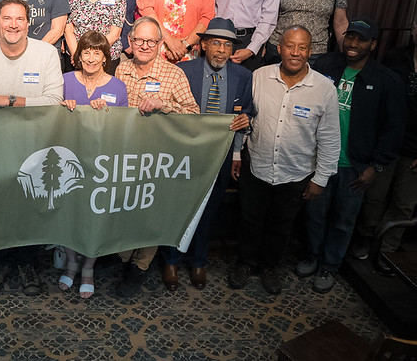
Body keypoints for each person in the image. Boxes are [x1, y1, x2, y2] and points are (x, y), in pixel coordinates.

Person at [228, 26, 340, 295]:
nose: (295, 53)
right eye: (290, 46)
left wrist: (320, 179)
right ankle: (245, 263)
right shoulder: (259, 77)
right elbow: (246, 117)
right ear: (280, 47)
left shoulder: (324, 89)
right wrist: (236, 154)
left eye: (302, 48)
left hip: (296, 174)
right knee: (249, 220)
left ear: (310, 52)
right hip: (257, 165)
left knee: (281, 226)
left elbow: (330, 138)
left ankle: (269, 267)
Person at [299, 18, 405, 293]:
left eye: (361, 40)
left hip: (354, 167)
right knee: (315, 214)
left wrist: (376, 166)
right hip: (320, 160)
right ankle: (311, 256)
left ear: (373, 44)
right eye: (350, 38)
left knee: (343, 221)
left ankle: (329, 265)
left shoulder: (386, 81)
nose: (353, 44)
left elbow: (393, 129)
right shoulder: (325, 67)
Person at [0, 0, 64, 295]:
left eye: (19, 19)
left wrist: (7, 100)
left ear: (28, 23)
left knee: (31, 205)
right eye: (6, 19)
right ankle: (1, 262)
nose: (12, 25)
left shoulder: (47, 53)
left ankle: (27, 264)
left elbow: (53, 103)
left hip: (37, 146)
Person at [160, 18, 252, 290]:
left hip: (219, 155)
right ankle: (171, 260)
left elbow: (246, 114)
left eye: (227, 44)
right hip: (183, 152)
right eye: (215, 43)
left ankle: (199, 261)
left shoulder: (243, 77)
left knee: (209, 209)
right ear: (203, 45)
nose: (221, 50)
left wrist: (238, 149)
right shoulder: (182, 71)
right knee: (177, 207)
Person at [114, 16, 199, 296]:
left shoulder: (174, 74)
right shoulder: (121, 70)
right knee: (126, 207)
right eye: (139, 40)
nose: (145, 45)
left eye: (151, 41)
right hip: (125, 153)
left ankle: (139, 267)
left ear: (161, 43)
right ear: (130, 41)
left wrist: (166, 105)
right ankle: (124, 259)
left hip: (158, 158)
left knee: (151, 212)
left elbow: (195, 115)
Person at [58, 31, 128, 298]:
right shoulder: (64, 81)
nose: (90, 57)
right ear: (78, 55)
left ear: (105, 57)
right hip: (69, 160)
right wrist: (62, 107)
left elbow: (122, 129)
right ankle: (72, 262)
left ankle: (88, 267)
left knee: (93, 216)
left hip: (100, 163)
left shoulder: (117, 87)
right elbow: (51, 118)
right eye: (86, 52)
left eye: (96, 53)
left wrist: (106, 115)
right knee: (69, 215)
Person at [352, 14, 417, 268]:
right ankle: (365, 242)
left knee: (404, 204)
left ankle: (387, 252)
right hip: (386, 143)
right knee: (373, 198)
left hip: (414, 151)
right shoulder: (395, 59)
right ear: (412, 29)